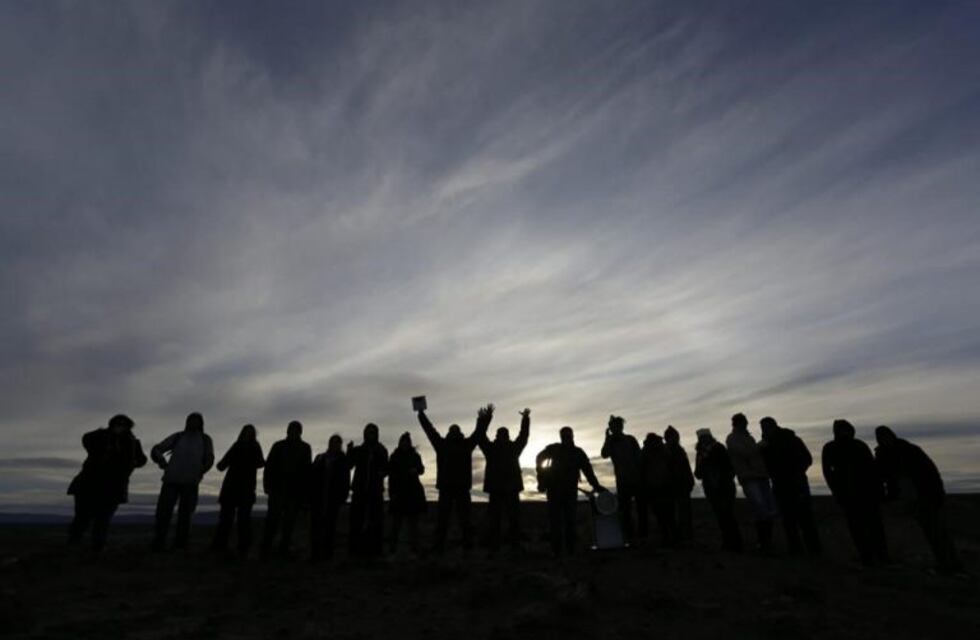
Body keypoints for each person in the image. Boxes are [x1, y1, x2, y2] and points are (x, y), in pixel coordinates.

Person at [875, 425, 961, 572]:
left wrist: (937, 493)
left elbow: (929, 473)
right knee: (930, 532)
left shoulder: (910, 450)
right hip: (910, 499)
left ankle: (951, 566)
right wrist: (888, 496)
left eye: (886, 437)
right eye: (881, 438)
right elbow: (883, 477)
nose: (884, 440)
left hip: (926, 496)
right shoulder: (883, 455)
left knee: (937, 532)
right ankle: (945, 564)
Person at [417, 404, 492, 552]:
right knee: (446, 520)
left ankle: (464, 545)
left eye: (455, 430)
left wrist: (486, 418)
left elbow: (479, 432)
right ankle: (444, 546)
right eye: (453, 430)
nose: (454, 432)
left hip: (459, 488)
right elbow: (429, 430)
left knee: (462, 520)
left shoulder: (453, 444)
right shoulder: (446, 444)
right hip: (450, 488)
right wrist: (421, 414)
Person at [67, 414, 147, 551]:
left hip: (113, 486)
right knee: (82, 517)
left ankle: (97, 547)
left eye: (123, 424)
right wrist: (105, 435)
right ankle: (73, 544)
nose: (120, 427)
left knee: (103, 519)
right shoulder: (100, 437)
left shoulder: (132, 442)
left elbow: (142, 460)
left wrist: (131, 464)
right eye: (117, 423)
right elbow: (87, 439)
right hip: (89, 484)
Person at [822, 419, 889, 566]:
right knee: (858, 527)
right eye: (841, 430)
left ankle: (882, 556)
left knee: (873, 526)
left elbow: (873, 469)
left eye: (846, 429)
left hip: (867, 493)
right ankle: (868, 557)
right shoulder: (831, 447)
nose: (844, 433)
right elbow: (828, 473)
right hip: (849, 494)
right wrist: (836, 491)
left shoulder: (859, 445)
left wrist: (879, 489)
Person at [535, 427, 604, 556]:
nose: (566, 437)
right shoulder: (555, 449)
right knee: (556, 522)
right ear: (561, 437)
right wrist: (542, 474)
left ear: (572, 436)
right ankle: (558, 551)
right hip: (555, 491)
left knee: (569, 521)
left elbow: (587, 469)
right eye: (564, 436)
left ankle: (569, 550)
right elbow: (539, 458)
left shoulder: (577, 452)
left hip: (569, 491)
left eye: (568, 435)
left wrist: (595, 485)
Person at [150, 412, 215, 551]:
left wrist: (201, 471)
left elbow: (210, 457)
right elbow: (157, 449)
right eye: (191, 420)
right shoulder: (178, 436)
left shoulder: (205, 439)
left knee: (185, 515)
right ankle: (159, 542)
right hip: (171, 480)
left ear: (201, 423)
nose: (193, 422)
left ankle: (180, 544)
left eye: (196, 420)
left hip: (191, 482)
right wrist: (162, 462)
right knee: (163, 512)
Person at [759, 417, 821, 556]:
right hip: (780, 486)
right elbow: (764, 465)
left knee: (805, 519)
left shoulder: (792, 439)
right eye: (762, 428)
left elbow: (807, 459)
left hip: (797, 484)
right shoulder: (765, 446)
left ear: (774, 426)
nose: (764, 430)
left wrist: (795, 473)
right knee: (788, 521)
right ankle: (796, 550)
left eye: (766, 427)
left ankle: (814, 550)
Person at [478, 408, 530, 554]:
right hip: (498, 490)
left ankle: (513, 547)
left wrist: (525, 419)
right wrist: (486, 418)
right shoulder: (494, 449)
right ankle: (495, 548)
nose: (502, 437)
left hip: (510, 490)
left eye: (504, 435)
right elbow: (481, 437)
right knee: (496, 521)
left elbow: (523, 436)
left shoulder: (511, 448)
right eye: (501, 435)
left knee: (513, 521)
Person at [211, 424, 265, 558]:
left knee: (241, 519)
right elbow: (222, 465)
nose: (247, 435)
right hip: (235, 487)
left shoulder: (249, 446)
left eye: (249, 432)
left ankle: (240, 547)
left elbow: (260, 463)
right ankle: (225, 546)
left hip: (241, 488)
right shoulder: (241, 446)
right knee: (230, 518)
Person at [260, 420, 312, 558]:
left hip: (295, 492)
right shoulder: (278, 445)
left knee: (289, 523)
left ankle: (283, 550)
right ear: (288, 430)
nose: (294, 432)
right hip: (277, 489)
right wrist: (267, 486)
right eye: (292, 429)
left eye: (296, 429)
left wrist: (305, 495)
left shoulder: (305, 447)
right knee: (272, 521)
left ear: (300, 431)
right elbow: (269, 466)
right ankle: (266, 549)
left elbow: (307, 472)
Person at [726, 413, 777, 553]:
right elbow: (746, 453)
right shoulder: (732, 439)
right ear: (738, 424)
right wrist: (761, 445)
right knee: (760, 508)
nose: (746, 424)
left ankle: (767, 541)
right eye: (743, 422)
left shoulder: (749, 437)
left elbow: (754, 455)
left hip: (761, 476)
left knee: (768, 509)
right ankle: (763, 542)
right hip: (749, 478)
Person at [694, 429, 742, 552]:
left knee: (726, 515)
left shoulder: (715, 449)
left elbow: (727, 468)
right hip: (713, 488)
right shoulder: (702, 452)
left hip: (722, 487)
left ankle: (734, 542)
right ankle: (730, 541)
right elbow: (698, 473)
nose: (704, 439)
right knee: (722, 515)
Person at [601, 415, 647, 542]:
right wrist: (607, 439)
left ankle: (643, 534)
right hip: (622, 481)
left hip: (636, 480)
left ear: (620, 427)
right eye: (612, 427)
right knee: (625, 510)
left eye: (616, 426)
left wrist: (641, 476)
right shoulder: (611, 442)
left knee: (641, 508)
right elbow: (604, 454)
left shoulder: (630, 440)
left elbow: (639, 458)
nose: (614, 429)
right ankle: (629, 536)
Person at [348, 423, 389, 557]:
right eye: (369, 432)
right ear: (365, 434)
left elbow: (386, 468)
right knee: (356, 521)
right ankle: (355, 551)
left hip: (375, 491)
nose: (371, 435)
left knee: (376, 522)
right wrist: (349, 451)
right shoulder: (359, 450)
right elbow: (349, 465)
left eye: (373, 432)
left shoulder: (381, 450)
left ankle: (375, 551)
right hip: (359, 491)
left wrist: (382, 472)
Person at [310, 435, 351, 562]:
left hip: (333, 498)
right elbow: (312, 476)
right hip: (318, 497)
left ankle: (327, 554)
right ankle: (315, 553)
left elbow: (346, 479)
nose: (334, 445)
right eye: (332, 442)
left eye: (337, 443)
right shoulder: (320, 457)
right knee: (316, 526)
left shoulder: (343, 460)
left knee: (330, 526)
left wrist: (343, 496)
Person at [388, 432, 427, 554]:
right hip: (399, 493)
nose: (405, 444)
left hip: (413, 494)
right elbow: (391, 476)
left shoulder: (415, 456)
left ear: (409, 443)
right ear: (400, 443)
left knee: (413, 524)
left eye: (407, 442)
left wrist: (416, 470)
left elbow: (421, 469)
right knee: (396, 524)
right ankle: (393, 548)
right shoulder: (394, 456)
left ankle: (415, 547)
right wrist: (392, 492)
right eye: (403, 442)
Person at [640, 433, 676, 546]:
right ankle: (670, 537)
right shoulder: (660, 450)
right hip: (658, 486)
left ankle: (668, 537)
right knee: (666, 514)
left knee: (664, 514)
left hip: (659, 486)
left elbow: (641, 469)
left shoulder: (652, 451)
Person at [664, 426, 695, 543]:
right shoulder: (667, 451)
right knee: (676, 513)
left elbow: (686, 468)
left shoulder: (679, 450)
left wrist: (690, 481)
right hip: (673, 486)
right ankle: (679, 537)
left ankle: (685, 537)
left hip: (682, 485)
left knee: (684, 513)